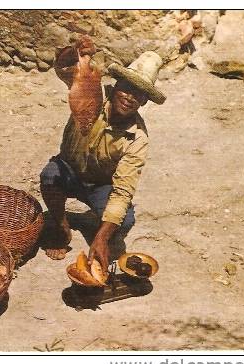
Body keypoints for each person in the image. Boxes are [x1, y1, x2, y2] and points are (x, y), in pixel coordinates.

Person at [40, 43, 166, 273]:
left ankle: (98, 229)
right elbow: (64, 68)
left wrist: (101, 239)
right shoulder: (93, 93)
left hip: (100, 185)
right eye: (126, 88)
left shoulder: (138, 139)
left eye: (138, 94)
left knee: (124, 220)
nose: (129, 97)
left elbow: (123, 190)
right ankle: (61, 227)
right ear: (116, 84)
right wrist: (76, 51)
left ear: (144, 101)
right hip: (69, 170)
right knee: (50, 175)